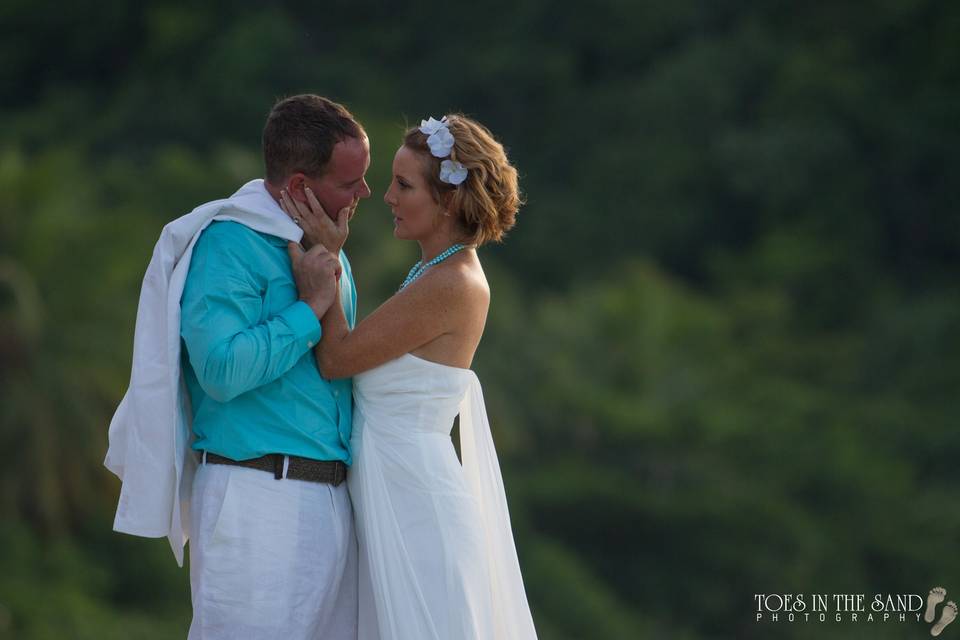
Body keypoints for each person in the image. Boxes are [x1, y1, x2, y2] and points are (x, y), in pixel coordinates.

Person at [104, 94, 370, 639]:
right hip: (257, 498)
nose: (364, 193)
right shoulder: (228, 245)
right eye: (350, 182)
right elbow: (221, 371)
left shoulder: (330, 250)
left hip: (330, 499)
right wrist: (311, 307)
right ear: (299, 186)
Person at [280, 114, 538, 640]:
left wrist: (328, 257)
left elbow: (338, 359)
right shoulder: (431, 270)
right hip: (393, 493)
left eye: (403, 185)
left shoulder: (454, 282)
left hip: (416, 505)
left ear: (447, 200)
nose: (387, 197)